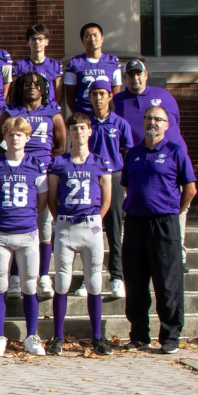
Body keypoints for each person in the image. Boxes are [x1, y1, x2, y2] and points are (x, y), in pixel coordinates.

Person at [121, 107, 196, 354]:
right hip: (135, 224)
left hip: (164, 224)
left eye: (158, 119)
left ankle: (170, 336)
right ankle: (139, 335)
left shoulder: (176, 152)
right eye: (148, 118)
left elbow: (190, 189)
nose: (152, 122)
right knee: (135, 282)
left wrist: (173, 211)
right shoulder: (133, 153)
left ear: (166, 125)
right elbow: (128, 187)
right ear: (142, 123)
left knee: (167, 283)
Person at [0, 70, 65, 298]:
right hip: (15, 177)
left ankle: (43, 276)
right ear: (19, 87)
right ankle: (14, 278)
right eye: (27, 83)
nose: (32, 87)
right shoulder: (11, 111)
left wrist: (42, 165)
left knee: (43, 228)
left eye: (36, 83)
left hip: (40, 177)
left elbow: (61, 146)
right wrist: (11, 159)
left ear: (43, 88)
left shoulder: (53, 112)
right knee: (14, 229)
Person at [111, 59, 190, 271]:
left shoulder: (164, 96)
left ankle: (178, 256)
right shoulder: (117, 101)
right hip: (138, 166)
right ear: (124, 77)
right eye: (130, 75)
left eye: (139, 74)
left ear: (146, 75)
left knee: (176, 210)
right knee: (138, 211)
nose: (135, 78)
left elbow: (176, 124)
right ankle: (141, 256)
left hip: (169, 163)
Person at [0, 116, 48, 356]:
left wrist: (26, 217)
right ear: (5, 138)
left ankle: (31, 335)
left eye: (20, 134)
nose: (15, 137)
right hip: (1, 233)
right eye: (10, 134)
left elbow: (42, 201)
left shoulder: (37, 165)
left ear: (28, 137)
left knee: (29, 286)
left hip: (27, 232)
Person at [47, 113, 114, 356]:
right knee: (62, 281)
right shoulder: (59, 162)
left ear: (89, 131)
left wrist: (95, 220)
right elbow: (52, 198)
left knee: (94, 281)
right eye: (74, 128)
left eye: (82, 128)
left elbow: (106, 200)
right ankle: (57, 336)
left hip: (91, 225)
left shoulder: (100, 162)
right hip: (66, 224)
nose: (78, 132)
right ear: (69, 132)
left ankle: (97, 336)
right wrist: (60, 221)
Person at [86, 79, 134, 298]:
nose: (98, 98)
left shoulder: (120, 123)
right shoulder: (86, 124)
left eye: (102, 94)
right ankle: (88, 277)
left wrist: (127, 182)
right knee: (87, 229)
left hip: (113, 176)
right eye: (94, 94)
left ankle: (117, 277)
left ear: (110, 96)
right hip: (90, 177)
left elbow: (127, 155)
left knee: (114, 230)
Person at [63, 22, 121, 116]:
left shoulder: (113, 62)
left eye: (95, 35)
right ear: (82, 41)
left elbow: (115, 94)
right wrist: (78, 115)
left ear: (102, 38)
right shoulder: (75, 63)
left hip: (105, 115)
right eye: (87, 36)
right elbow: (70, 97)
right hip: (83, 114)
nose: (92, 39)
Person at [13, 24, 64, 107]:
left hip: (48, 110)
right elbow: (14, 93)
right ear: (28, 42)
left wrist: (54, 110)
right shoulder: (19, 66)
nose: (37, 42)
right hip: (25, 110)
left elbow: (58, 94)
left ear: (46, 41)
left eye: (40, 39)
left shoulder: (55, 65)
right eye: (33, 39)